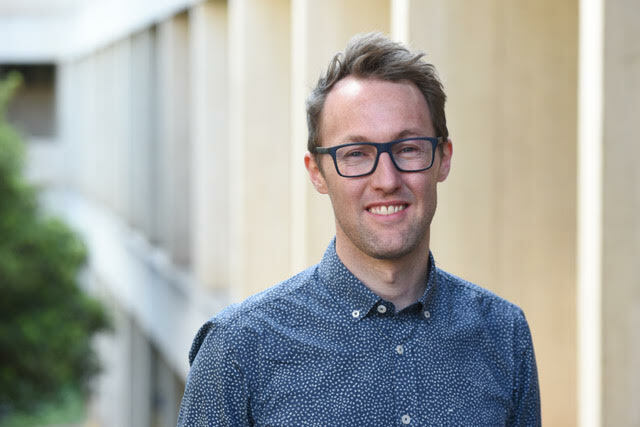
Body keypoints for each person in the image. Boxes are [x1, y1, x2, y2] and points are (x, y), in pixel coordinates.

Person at [177, 32, 540, 426]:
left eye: (408, 149)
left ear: (443, 158)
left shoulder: (504, 334)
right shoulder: (238, 349)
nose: (387, 180)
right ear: (317, 172)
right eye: (356, 154)